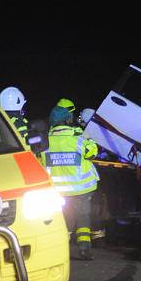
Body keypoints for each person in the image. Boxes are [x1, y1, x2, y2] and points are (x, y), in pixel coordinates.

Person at [41, 105, 100, 260]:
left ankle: (59, 250)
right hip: (82, 188)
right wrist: (92, 140)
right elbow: (92, 152)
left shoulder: (45, 140)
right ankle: (84, 248)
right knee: (83, 217)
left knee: (64, 220)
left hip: (57, 192)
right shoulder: (77, 137)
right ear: (68, 120)